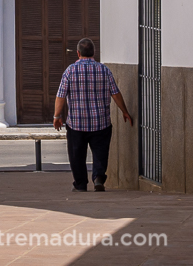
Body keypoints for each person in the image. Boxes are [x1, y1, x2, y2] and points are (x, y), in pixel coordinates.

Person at [53, 37, 133, 191]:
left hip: (76, 124)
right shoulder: (104, 70)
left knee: (77, 155)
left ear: (78, 53)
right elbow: (115, 93)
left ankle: (81, 184)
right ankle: (98, 178)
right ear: (94, 52)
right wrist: (125, 111)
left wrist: (57, 116)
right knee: (101, 152)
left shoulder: (70, 71)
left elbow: (61, 95)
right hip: (101, 122)